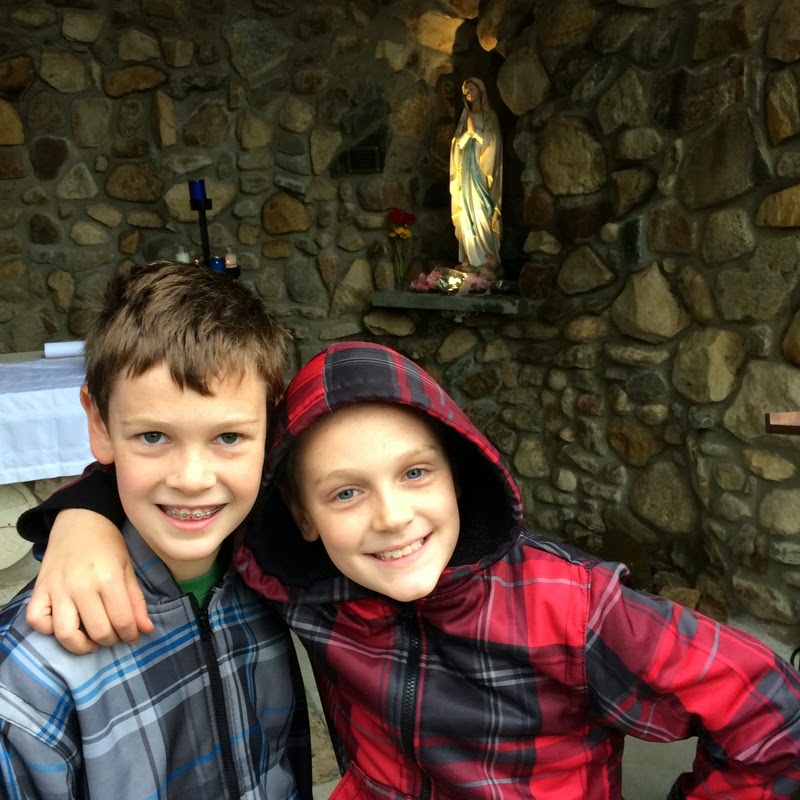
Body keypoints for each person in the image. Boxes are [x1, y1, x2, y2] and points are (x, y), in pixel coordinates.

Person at [15, 341, 800, 799]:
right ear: (302, 519)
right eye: (345, 492)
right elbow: (195, 491)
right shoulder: (303, 585)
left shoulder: (571, 606)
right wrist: (83, 514)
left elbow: (772, 712)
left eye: (416, 473)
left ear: (460, 472)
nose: (391, 517)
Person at [0, 261, 312, 799]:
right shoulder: (28, 679)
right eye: (153, 436)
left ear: (272, 426)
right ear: (99, 424)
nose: (192, 479)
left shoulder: (271, 569)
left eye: (229, 437)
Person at [449, 77, 503, 271]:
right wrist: (468, 133)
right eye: (465, 92)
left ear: (481, 90)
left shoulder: (490, 116)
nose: (468, 94)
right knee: (466, 210)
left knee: (481, 209)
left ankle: (487, 255)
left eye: (471, 89)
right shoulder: (465, 117)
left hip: (481, 170)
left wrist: (476, 134)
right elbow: (457, 144)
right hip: (465, 170)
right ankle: (470, 257)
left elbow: (494, 142)